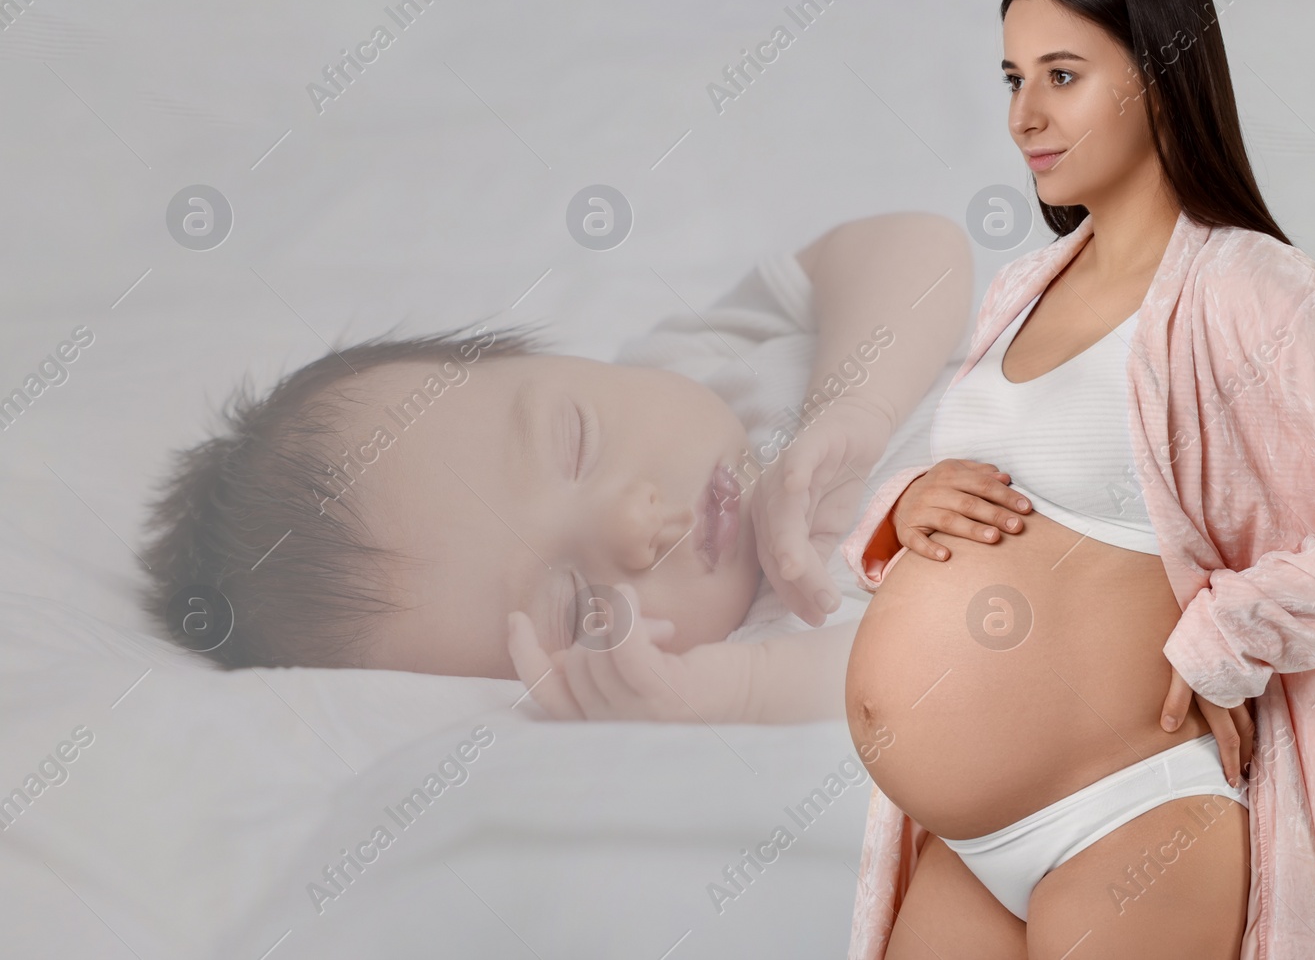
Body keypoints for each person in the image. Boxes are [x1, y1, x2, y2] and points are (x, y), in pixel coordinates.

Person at [832, 0, 1315, 959]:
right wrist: (907, 502)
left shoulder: (1246, 287)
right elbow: (1029, 479)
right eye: (1013, 78)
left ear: (1159, 76)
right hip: (968, 841)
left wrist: (1232, 629)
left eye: (1062, 75)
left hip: (1131, 817)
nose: (1025, 115)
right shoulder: (1024, 284)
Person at [137, 212, 974, 724]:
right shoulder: (754, 645)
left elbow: (920, 247)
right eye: (578, 606)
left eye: (575, 440)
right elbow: (928, 673)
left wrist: (856, 403)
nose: (633, 525)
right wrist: (744, 693)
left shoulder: (697, 360)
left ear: (563, 363)